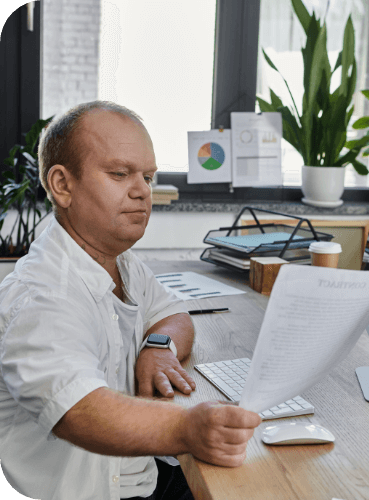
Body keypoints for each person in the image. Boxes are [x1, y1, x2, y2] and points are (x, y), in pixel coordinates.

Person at [0, 101, 262, 500]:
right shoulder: (44, 293)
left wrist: (158, 347)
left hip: (137, 475)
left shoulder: (119, 260)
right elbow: (78, 411)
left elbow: (173, 313)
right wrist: (185, 428)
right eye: (120, 174)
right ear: (62, 185)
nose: (141, 191)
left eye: (148, 177)